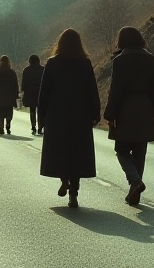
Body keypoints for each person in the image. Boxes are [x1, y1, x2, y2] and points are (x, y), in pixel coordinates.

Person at [38, 28, 101, 208]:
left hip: (57, 115)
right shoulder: (85, 63)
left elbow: (44, 93)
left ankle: (64, 179)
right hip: (80, 115)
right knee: (77, 153)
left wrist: (41, 118)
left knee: (60, 151)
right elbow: (92, 90)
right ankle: (74, 189)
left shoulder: (52, 63)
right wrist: (95, 113)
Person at [104, 26, 154, 207]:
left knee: (122, 150)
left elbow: (115, 90)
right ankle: (134, 193)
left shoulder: (120, 60)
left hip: (124, 110)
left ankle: (135, 181)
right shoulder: (150, 59)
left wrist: (110, 114)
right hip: (145, 107)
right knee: (140, 152)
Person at [0, 55, 20, 135]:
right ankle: (8, 124)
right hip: (9, 96)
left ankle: (1, 129)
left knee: (0, 113)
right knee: (9, 112)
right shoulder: (12, 73)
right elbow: (15, 85)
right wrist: (16, 95)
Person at [20, 54, 44, 135]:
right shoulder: (42, 69)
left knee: (32, 110)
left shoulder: (26, 70)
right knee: (40, 110)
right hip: (40, 92)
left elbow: (24, 82)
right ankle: (40, 127)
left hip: (30, 92)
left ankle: (33, 126)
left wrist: (23, 90)